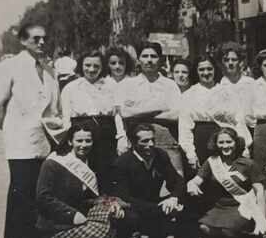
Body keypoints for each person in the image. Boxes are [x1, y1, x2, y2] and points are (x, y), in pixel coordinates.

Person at [0, 24, 62, 238]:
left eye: (44, 38)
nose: (41, 43)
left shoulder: (50, 69)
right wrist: (10, 128)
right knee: (21, 192)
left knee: (42, 192)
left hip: (47, 141)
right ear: (23, 40)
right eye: (36, 39)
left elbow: (55, 107)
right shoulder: (10, 67)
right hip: (20, 140)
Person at [35, 123, 128, 238]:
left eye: (88, 141)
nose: (83, 145)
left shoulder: (91, 162)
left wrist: (111, 203)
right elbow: (43, 198)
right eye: (79, 141)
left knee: (115, 214)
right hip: (57, 222)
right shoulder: (53, 163)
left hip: (82, 215)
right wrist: (72, 214)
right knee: (96, 237)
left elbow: (95, 196)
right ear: (70, 141)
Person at [111, 123, 197, 238]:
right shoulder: (122, 162)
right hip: (134, 207)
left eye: (152, 140)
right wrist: (159, 208)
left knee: (185, 198)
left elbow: (177, 181)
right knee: (129, 218)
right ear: (133, 143)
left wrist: (173, 198)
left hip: (154, 204)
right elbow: (124, 197)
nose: (150, 144)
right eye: (145, 141)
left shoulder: (160, 155)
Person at [185, 127, 260, 238]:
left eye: (229, 142)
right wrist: (192, 184)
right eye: (221, 142)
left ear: (236, 142)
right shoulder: (212, 162)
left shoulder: (248, 163)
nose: (225, 146)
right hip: (220, 206)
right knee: (204, 228)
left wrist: (260, 214)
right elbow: (197, 180)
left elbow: (260, 190)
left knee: (229, 231)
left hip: (242, 206)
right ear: (216, 144)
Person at [116, 43, 185, 175]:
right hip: (137, 139)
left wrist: (138, 112)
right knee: (140, 179)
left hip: (166, 138)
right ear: (138, 60)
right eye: (145, 56)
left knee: (175, 179)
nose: (149, 60)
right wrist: (160, 108)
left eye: (153, 56)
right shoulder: (127, 85)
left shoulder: (170, 85)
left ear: (160, 59)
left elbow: (176, 115)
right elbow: (124, 113)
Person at [178, 56, 251, 171]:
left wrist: (244, 146)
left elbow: (238, 121)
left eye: (209, 69)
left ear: (215, 70)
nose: (206, 73)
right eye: (201, 69)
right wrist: (190, 153)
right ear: (196, 71)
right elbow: (185, 128)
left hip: (225, 141)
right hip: (200, 141)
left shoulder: (228, 92)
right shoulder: (189, 95)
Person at [59, 51, 119, 187]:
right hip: (81, 135)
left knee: (106, 175)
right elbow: (66, 118)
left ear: (102, 67)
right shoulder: (71, 88)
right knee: (83, 174)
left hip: (106, 136)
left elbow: (118, 114)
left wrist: (121, 138)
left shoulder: (111, 86)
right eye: (87, 65)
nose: (91, 69)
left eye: (96, 66)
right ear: (81, 65)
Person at [215, 43, 255, 152]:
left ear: (241, 62)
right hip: (229, 136)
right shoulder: (218, 86)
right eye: (226, 60)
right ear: (221, 63)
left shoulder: (251, 84)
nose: (230, 63)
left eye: (234, 59)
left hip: (252, 132)